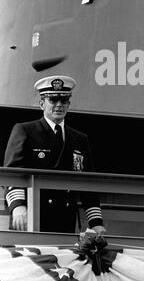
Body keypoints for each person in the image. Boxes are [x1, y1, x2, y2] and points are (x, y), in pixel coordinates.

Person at [4, 75, 106, 236]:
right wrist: (18, 206)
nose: (59, 105)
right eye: (53, 100)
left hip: (64, 218)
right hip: (31, 217)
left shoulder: (79, 139)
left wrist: (96, 222)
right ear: (42, 104)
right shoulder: (25, 131)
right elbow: (13, 173)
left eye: (64, 101)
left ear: (69, 105)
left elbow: (88, 184)